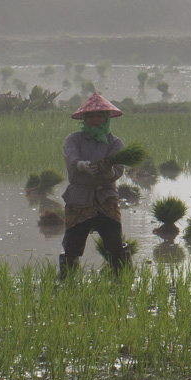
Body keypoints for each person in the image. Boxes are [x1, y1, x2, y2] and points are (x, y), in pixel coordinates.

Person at [60, 92, 130, 275]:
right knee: (72, 245)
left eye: (100, 115)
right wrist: (82, 165)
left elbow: (118, 170)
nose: (96, 119)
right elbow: (71, 157)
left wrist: (108, 171)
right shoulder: (74, 139)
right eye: (91, 116)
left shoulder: (115, 143)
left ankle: (123, 282)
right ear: (84, 118)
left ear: (107, 118)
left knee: (115, 244)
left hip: (106, 198)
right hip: (79, 198)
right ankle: (66, 284)